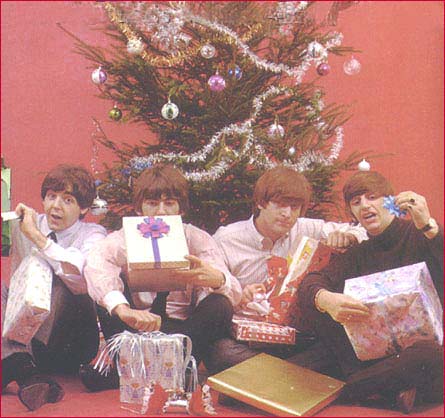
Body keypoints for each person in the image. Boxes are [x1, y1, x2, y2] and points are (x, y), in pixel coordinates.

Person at [79, 164, 242, 392]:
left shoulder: (196, 238)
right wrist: (123, 310)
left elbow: (234, 291)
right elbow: (97, 264)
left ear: (180, 208)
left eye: (169, 203)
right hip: (137, 325)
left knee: (220, 303)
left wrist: (217, 279)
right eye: (153, 203)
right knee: (105, 295)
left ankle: (158, 373)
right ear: (139, 208)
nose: (161, 212)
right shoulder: (124, 237)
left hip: (183, 333)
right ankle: (139, 371)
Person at [294, 170, 443, 413]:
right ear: (352, 213)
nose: (365, 205)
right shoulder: (357, 253)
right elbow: (311, 283)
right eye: (356, 201)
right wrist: (327, 300)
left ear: (391, 201)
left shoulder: (420, 235)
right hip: (371, 358)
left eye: (372, 197)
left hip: (423, 351)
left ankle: (346, 389)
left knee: (432, 357)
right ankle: (389, 389)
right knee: (316, 321)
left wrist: (428, 225)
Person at [204, 166, 368, 374]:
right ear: (260, 203)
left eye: (294, 207)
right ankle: (292, 376)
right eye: (280, 205)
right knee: (221, 355)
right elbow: (209, 294)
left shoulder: (306, 228)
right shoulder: (227, 239)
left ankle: (259, 378)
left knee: (334, 347)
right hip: (245, 337)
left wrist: (349, 236)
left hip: (294, 335)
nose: (287, 214)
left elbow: (361, 230)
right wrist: (238, 296)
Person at [1, 164, 107, 411]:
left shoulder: (94, 234)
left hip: (70, 341)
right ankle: (26, 371)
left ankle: (15, 366)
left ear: (83, 208)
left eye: (67, 200)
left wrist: (37, 238)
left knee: (60, 276)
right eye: (51, 196)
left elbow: (81, 278)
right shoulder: (24, 222)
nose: (55, 206)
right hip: (26, 340)